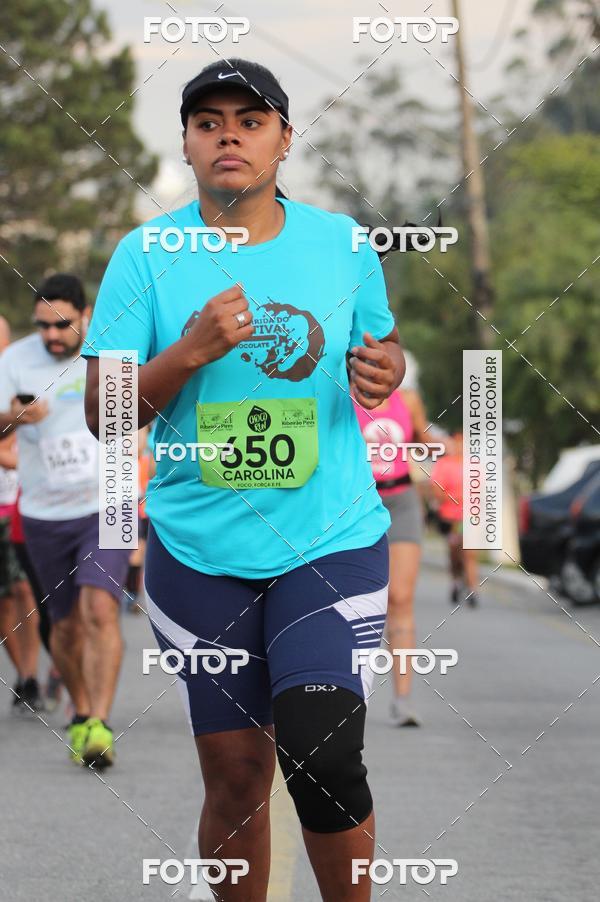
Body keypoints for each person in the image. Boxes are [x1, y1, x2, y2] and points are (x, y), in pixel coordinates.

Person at [83, 58, 405, 901]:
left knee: (323, 753)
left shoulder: (341, 242)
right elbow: (103, 413)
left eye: (251, 119)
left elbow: (384, 342)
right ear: (186, 144)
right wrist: (187, 352)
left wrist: (384, 370)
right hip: (199, 552)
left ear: (284, 141)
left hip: (328, 536)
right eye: (209, 120)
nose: (230, 132)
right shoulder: (145, 254)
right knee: (234, 778)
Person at [0, 274, 130, 766]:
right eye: (42, 327)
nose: (51, 336)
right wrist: (12, 418)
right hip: (43, 510)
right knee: (66, 625)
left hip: (109, 498)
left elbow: (134, 419)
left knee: (99, 611)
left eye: (62, 326)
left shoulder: (112, 354)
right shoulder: (15, 362)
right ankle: (81, 712)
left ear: (86, 316)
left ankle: (100, 719)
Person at [355, 385, 429, 726]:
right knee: (350, 601)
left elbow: (425, 441)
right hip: (355, 503)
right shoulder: (341, 393)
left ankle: (403, 700)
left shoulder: (409, 399)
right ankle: (348, 693)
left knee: (399, 597)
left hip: (401, 500)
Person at [0, 434, 43, 713]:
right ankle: (23, 673)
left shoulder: (29, 418)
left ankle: (31, 675)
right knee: (3, 604)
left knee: (25, 591)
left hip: (18, 514)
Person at [431, 432, 480, 607]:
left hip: (470, 517)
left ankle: (473, 589)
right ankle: (456, 582)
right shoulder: (444, 465)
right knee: (455, 553)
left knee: (470, 553)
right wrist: (455, 497)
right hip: (451, 518)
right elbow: (438, 492)